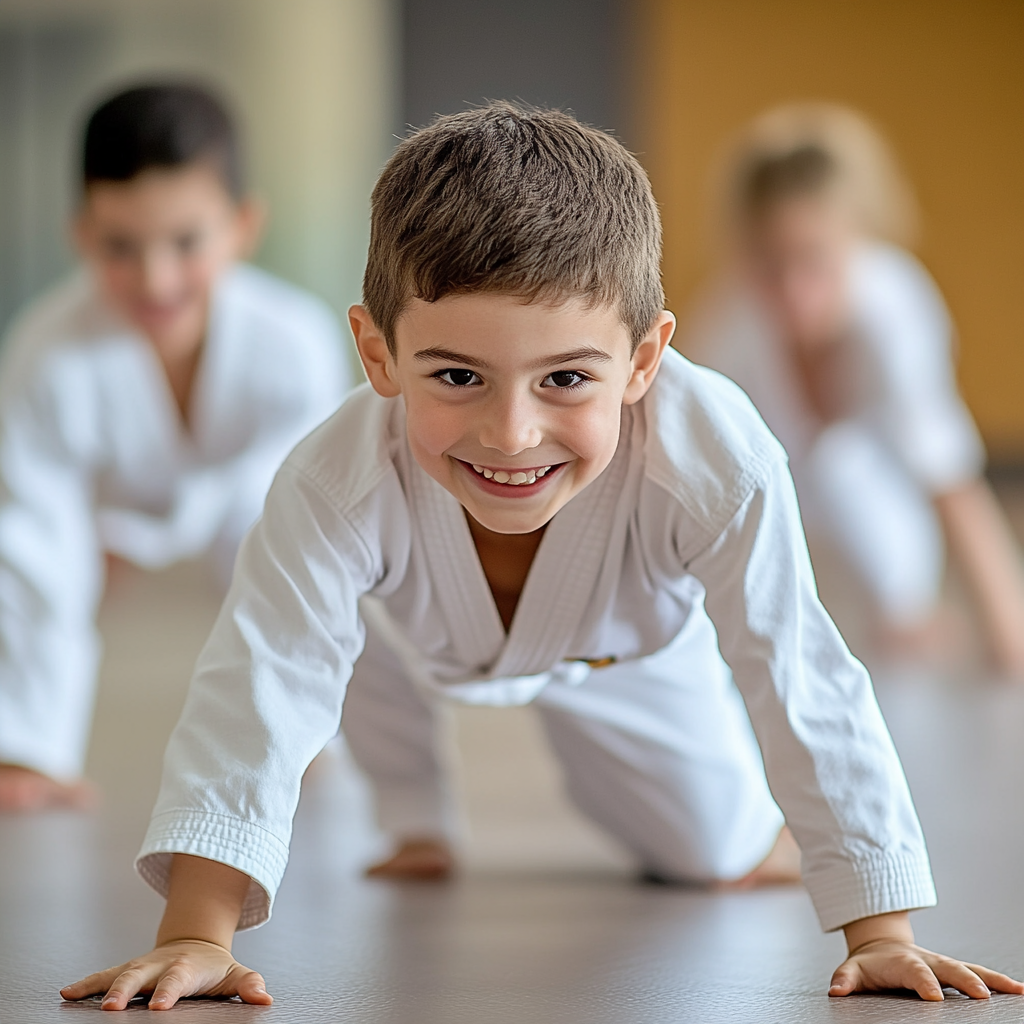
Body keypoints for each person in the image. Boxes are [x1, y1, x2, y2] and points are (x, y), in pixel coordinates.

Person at [61, 103, 1022, 1010]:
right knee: (335, 649)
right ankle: (417, 821)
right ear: (377, 352)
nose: (512, 433)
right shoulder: (334, 479)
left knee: (708, 850)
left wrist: (876, 925)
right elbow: (263, 680)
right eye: (456, 375)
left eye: (567, 377)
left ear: (644, 361)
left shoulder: (716, 458)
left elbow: (798, 670)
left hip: (630, 653)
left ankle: (745, 839)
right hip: (402, 634)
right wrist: (199, 931)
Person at [0, 83, 352, 812]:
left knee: (285, 533)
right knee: (25, 555)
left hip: (247, 509)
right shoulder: (47, 352)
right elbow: (33, 539)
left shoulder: (293, 341)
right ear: (80, 234)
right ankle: (24, 749)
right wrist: (24, 745)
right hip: (97, 518)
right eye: (119, 247)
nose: (156, 278)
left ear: (242, 225)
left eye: (186, 243)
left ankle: (300, 725)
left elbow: (310, 520)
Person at [683, 103, 1024, 673]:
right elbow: (694, 479)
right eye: (771, 265)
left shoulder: (894, 308)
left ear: (855, 240)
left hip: (876, 489)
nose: (793, 291)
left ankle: (905, 612)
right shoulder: (728, 327)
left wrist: (1007, 629)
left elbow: (947, 474)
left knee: (845, 465)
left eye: (814, 260)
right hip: (777, 498)